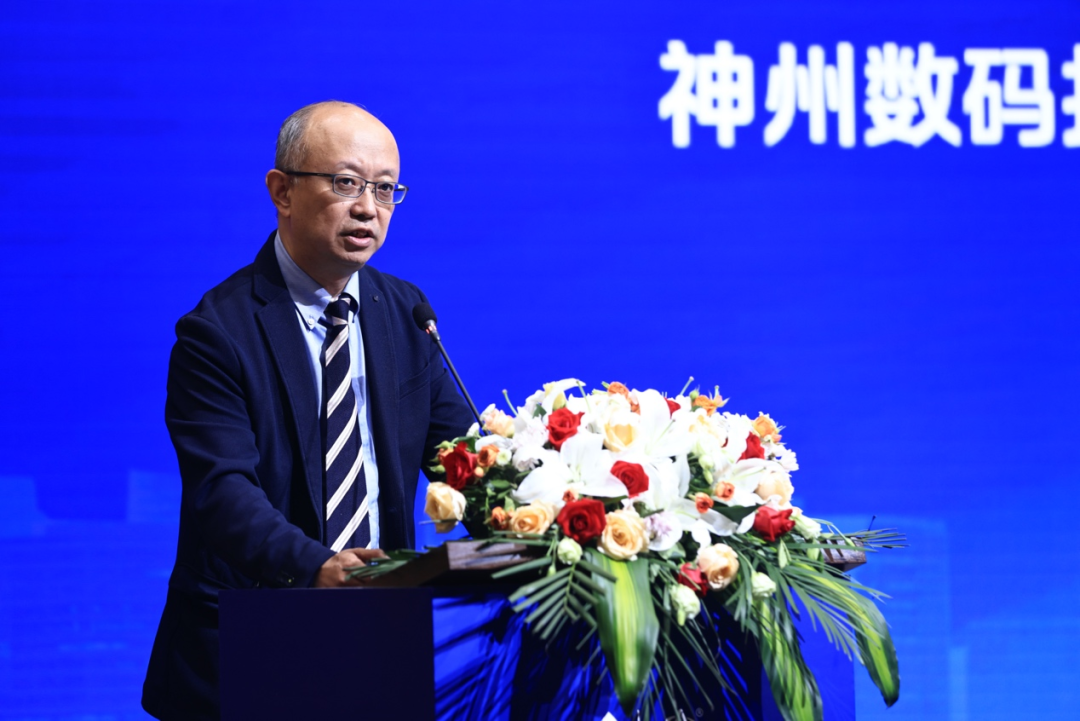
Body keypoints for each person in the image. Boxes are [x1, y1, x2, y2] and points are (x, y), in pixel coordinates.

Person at [142, 101, 474, 720]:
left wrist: (546, 520)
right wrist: (319, 567)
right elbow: (222, 492)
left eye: (385, 189)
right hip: (251, 639)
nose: (368, 208)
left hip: (381, 634)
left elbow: (463, 460)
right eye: (346, 183)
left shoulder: (406, 312)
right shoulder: (217, 331)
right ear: (282, 191)